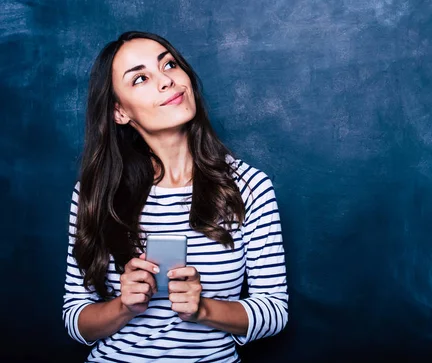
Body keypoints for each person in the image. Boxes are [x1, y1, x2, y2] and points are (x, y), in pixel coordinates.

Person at [62, 31, 288, 363]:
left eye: (169, 64)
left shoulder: (249, 186)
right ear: (119, 112)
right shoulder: (95, 193)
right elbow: (74, 319)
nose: (166, 80)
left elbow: (274, 313)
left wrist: (203, 308)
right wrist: (123, 307)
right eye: (140, 78)